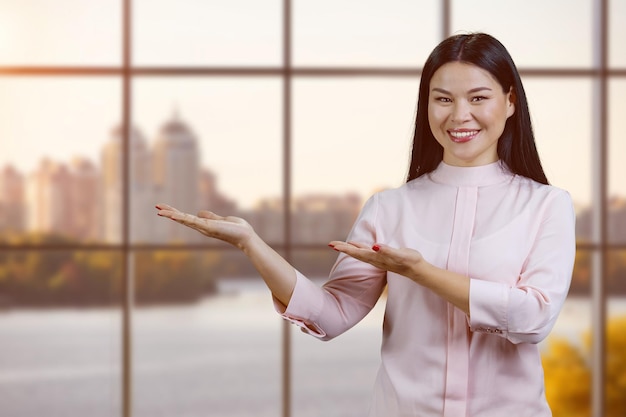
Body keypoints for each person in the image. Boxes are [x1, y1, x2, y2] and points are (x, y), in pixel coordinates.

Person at [155, 33, 575, 417]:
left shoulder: (546, 205)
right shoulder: (390, 208)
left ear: (511, 101)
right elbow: (331, 315)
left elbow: (533, 317)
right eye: (443, 99)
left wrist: (418, 271)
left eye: (478, 98)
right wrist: (251, 244)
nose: (459, 115)